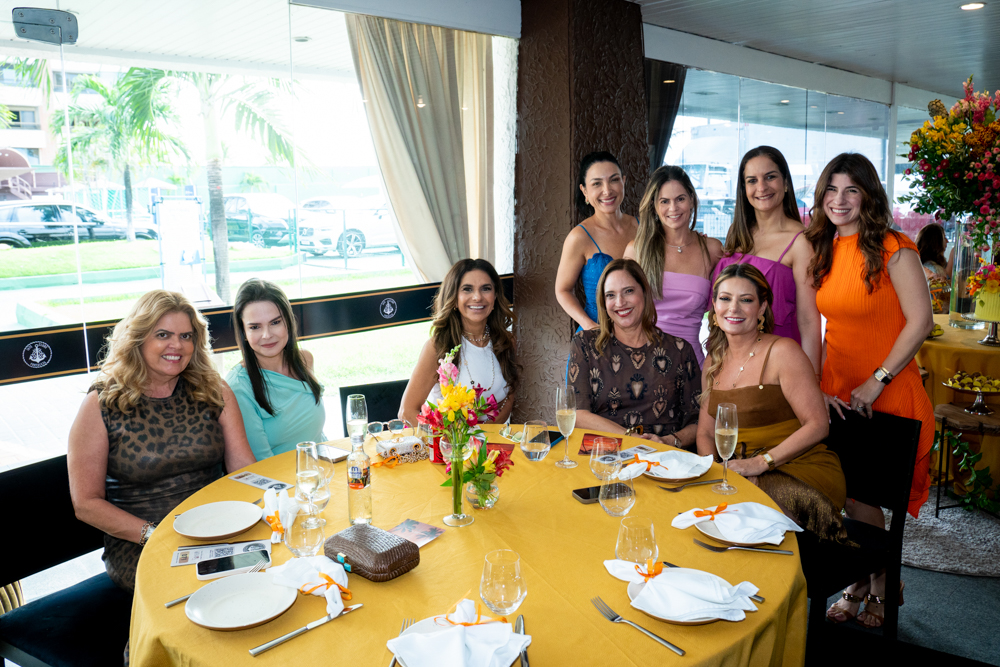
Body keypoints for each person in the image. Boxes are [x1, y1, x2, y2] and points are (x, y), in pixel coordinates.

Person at [805, 153, 934, 628]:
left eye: (851, 190)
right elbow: (825, 327)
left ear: (869, 196)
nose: (839, 200)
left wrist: (877, 380)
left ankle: (879, 586)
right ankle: (864, 581)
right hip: (838, 391)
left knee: (869, 497)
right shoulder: (823, 247)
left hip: (886, 390)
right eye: (831, 190)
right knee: (849, 496)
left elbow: (921, 321)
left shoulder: (894, 248)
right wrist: (816, 387)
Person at [67, 290, 256, 592]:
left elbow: (244, 468)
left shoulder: (213, 390)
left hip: (218, 530)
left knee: (268, 572)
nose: (176, 345)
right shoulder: (102, 403)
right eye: (163, 334)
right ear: (138, 338)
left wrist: (268, 510)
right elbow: (86, 504)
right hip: (142, 543)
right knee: (203, 591)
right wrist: (157, 536)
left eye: (186, 336)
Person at [697, 263, 848, 542]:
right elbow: (705, 432)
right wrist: (715, 472)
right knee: (703, 513)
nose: (734, 308)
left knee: (743, 519)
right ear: (714, 308)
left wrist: (761, 463)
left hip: (799, 468)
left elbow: (817, 425)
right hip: (741, 472)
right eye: (725, 298)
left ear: (762, 308)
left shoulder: (783, 352)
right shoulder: (712, 362)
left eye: (746, 300)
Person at [568, 258, 700, 446]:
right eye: (610, 295)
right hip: (602, 455)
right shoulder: (585, 344)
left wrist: (667, 442)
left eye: (628, 291)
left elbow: (698, 421)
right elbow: (577, 414)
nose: (620, 302)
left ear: (645, 293)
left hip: (662, 457)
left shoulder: (680, 350)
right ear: (603, 302)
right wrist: (631, 438)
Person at [712, 146, 821, 373]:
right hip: (729, 358)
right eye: (752, 180)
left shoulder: (801, 242)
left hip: (777, 364)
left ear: (786, 183)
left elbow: (809, 320)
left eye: (770, 177)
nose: (761, 187)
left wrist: (812, 377)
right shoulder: (737, 233)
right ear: (744, 189)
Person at [400, 259, 518, 427]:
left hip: (491, 442)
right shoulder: (437, 347)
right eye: (467, 289)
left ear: (496, 296)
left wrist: (484, 437)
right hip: (445, 442)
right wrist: (446, 440)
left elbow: (509, 398)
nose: (477, 297)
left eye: (486, 288)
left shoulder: (506, 342)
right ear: (454, 298)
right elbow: (406, 412)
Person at [625, 165, 723, 365]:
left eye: (680, 199)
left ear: (692, 200)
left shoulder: (712, 249)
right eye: (664, 201)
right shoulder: (637, 251)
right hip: (644, 364)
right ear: (654, 205)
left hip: (692, 366)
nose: (673, 208)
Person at [228, 279, 325, 460]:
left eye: (275, 322)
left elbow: (316, 435)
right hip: (278, 478)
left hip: (321, 471)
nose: (267, 335)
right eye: (255, 327)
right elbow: (260, 463)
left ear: (288, 321)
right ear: (244, 332)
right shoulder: (238, 387)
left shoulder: (304, 360)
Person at [555, 151, 638, 330]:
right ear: (584, 191)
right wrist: (589, 326)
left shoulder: (642, 228)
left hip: (639, 334)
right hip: (597, 337)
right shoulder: (579, 237)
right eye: (597, 183)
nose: (607, 190)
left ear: (623, 182)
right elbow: (562, 290)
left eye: (614, 180)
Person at [916, 223, 952, 314]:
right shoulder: (934, 269)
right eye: (944, 238)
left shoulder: (920, 264)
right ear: (936, 242)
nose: (947, 241)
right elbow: (943, 303)